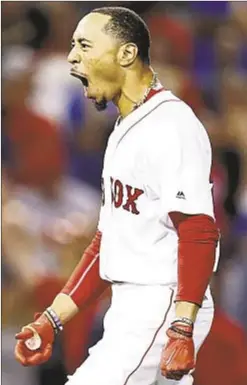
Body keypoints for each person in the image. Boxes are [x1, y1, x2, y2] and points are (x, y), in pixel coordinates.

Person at [14, 6, 219, 385]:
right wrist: (52, 318)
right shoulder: (125, 127)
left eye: (85, 46)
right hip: (134, 308)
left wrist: (181, 327)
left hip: (161, 303)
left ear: (126, 53)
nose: (73, 56)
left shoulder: (171, 125)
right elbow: (106, 245)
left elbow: (198, 230)